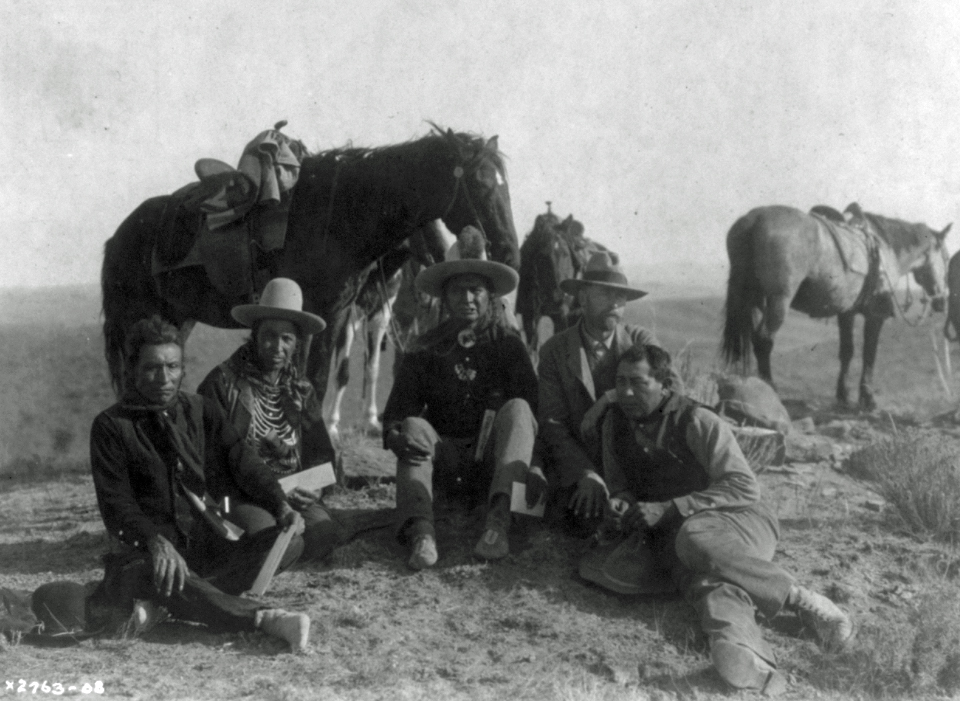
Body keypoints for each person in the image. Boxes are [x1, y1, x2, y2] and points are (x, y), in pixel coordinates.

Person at [595, 343, 855, 694]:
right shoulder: (614, 424)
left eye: (638, 383)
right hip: (681, 535)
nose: (625, 391)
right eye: (620, 381)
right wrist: (622, 504)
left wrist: (670, 508)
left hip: (742, 519)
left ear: (664, 383)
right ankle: (746, 655)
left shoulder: (697, 420)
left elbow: (744, 487)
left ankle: (803, 600)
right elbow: (620, 485)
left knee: (694, 538)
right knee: (706, 582)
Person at [89, 315, 311, 652]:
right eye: (152, 368)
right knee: (155, 573)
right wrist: (155, 542)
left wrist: (279, 503)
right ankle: (264, 618)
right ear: (132, 368)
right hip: (145, 556)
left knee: (289, 541)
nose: (164, 378)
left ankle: (180, 601)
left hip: (203, 550)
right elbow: (116, 506)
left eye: (173, 366)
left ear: (182, 367)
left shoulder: (199, 409)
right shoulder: (111, 426)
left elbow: (242, 460)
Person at [381, 226, 540, 569]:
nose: (467, 299)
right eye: (458, 291)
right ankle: (422, 532)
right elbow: (397, 412)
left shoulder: (509, 345)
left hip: (495, 467)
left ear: (489, 295)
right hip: (446, 461)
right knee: (413, 425)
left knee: (519, 408)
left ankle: (498, 523)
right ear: (445, 296)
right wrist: (396, 435)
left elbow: (531, 416)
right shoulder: (426, 348)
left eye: (475, 290)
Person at [198, 277, 342, 562]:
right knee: (275, 542)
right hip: (239, 493)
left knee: (325, 534)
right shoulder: (222, 383)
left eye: (287, 338)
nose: (277, 346)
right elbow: (215, 461)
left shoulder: (301, 389)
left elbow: (320, 453)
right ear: (254, 335)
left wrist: (314, 487)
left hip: (292, 491)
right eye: (269, 335)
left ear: (297, 343)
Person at [536, 252, 657, 535]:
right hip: (579, 466)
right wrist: (584, 472)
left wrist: (610, 397)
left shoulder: (640, 341)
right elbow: (552, 423)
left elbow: (670, 393)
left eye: (621, 296)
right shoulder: (555, 351)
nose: (615, 303)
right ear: (583, 297)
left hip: (634, 465)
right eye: (605, 293)